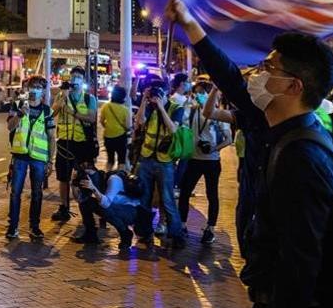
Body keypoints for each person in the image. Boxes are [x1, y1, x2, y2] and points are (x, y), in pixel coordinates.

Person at [168, 0, 333, 308]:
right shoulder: (267, 123)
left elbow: (302, 259)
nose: (257, 75)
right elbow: (229, 78)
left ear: (293, 86)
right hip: (265, 293)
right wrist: (189, 22)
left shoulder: (303, 156)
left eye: (268, 68)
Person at [132, 82, 187, 249]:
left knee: (168, 199)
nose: (156, 95)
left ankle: (176, 235)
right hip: (147, 158)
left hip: (165, 161)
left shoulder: (176, 107)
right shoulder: (149, 106)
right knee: (144, 198)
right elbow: (140, 121)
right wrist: (143, 101)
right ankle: (144, 232)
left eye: (158, 92)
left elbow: (173, 130)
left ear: (166, 92)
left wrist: (162, 108)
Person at [179, 86, 233, 245]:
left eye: (206, 93)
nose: (202, 96)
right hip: (198, 160)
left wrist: (213, 148)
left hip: (209, 161)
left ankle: (208, 229)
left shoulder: (218, 115)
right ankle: (186, 225)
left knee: (208, 194)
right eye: (200, 93)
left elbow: (229, 139)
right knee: (188, 193)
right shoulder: (193, 111)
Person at [5, 76, 55, 241]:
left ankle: (34, 227)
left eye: (39, 87)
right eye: (32, 86)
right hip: (20, 156)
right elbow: (9, 127)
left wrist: (50, 160)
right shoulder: (18, 105)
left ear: (43, 91)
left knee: (37, 193)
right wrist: (19, 115)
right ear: (27, 88)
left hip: (39, 158)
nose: (35, 89)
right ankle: (13, 227)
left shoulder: (47, 111)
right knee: (15, 192)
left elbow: (51, 137)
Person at [50, 67, 98, 223]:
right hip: (64, 142)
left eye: (78, 76)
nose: (75, 79)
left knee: (83, 178)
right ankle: (64, 208)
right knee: (63, 177)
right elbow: (52, 114)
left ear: (82, 80)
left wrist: (72, 112)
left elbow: (91, 118)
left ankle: (87, 211)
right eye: (73, 76)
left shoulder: (90, 99)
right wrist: (61, 99)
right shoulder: (62, 96)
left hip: (83, 144)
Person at [72, 161, 149, 251]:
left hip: (132, 212)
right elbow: (80, 199)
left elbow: (106, 204)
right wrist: (73, 183)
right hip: (117, 208)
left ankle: (125, 233)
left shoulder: (113, 179)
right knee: (86, 203)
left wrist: (93, 188)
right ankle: (90, 234)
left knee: (106, 209)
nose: (87, 179)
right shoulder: (99, 181)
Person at [99, 85, 131, 171]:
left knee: (110, 160)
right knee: (121, 161)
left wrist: (108, 127)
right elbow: (128, 126)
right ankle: (120, 179)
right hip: (121, 137)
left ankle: (106, 178)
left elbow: (101, 121)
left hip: (108, 137)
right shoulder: (125, 110)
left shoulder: (106, 106)